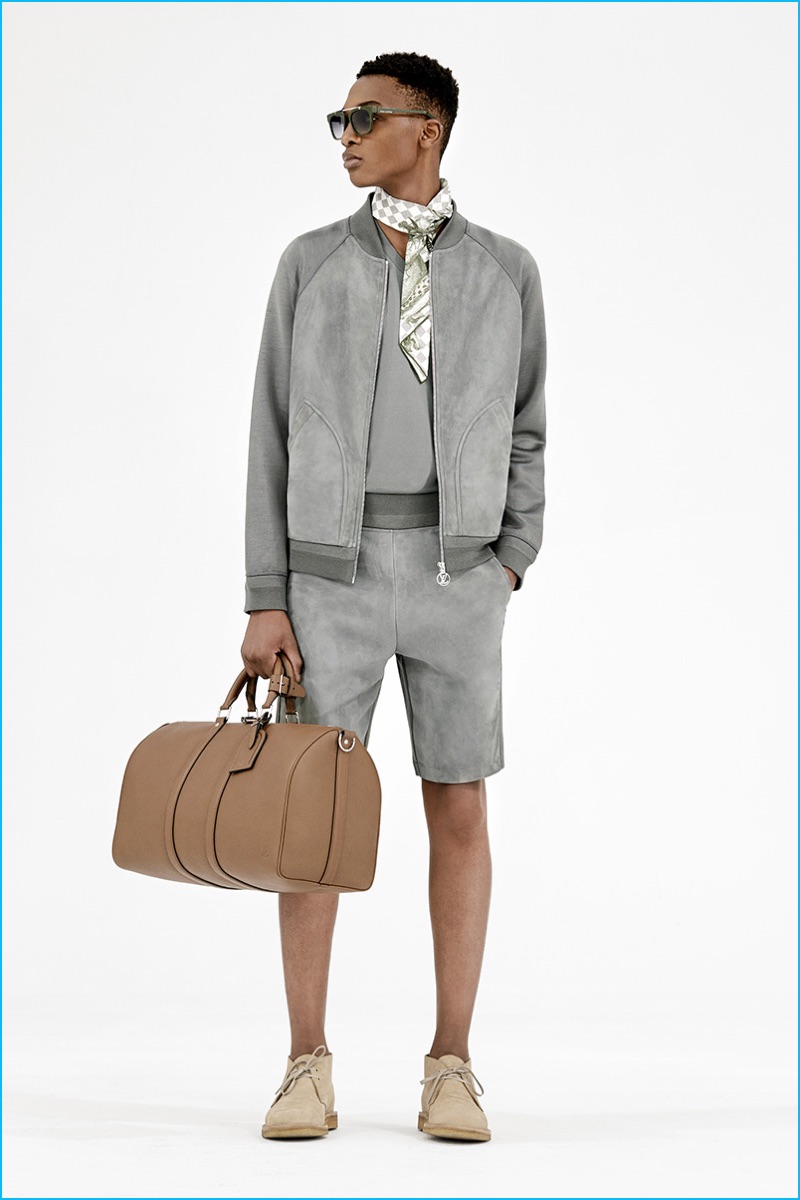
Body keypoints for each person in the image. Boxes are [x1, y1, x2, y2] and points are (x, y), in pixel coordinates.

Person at [241, 50, 547, 1143]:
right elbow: (270, 434)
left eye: (366, 117)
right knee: (310, 820)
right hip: (330, 577)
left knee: (458, 806)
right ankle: (305, 1064)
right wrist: (266, 593)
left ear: (430, 128)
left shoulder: (507, 271)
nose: (347, 135)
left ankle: (451, 1064)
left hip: (461, 577)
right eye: (340, 118)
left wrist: (512, 555)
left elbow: (528, 425)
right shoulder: (310, 264)